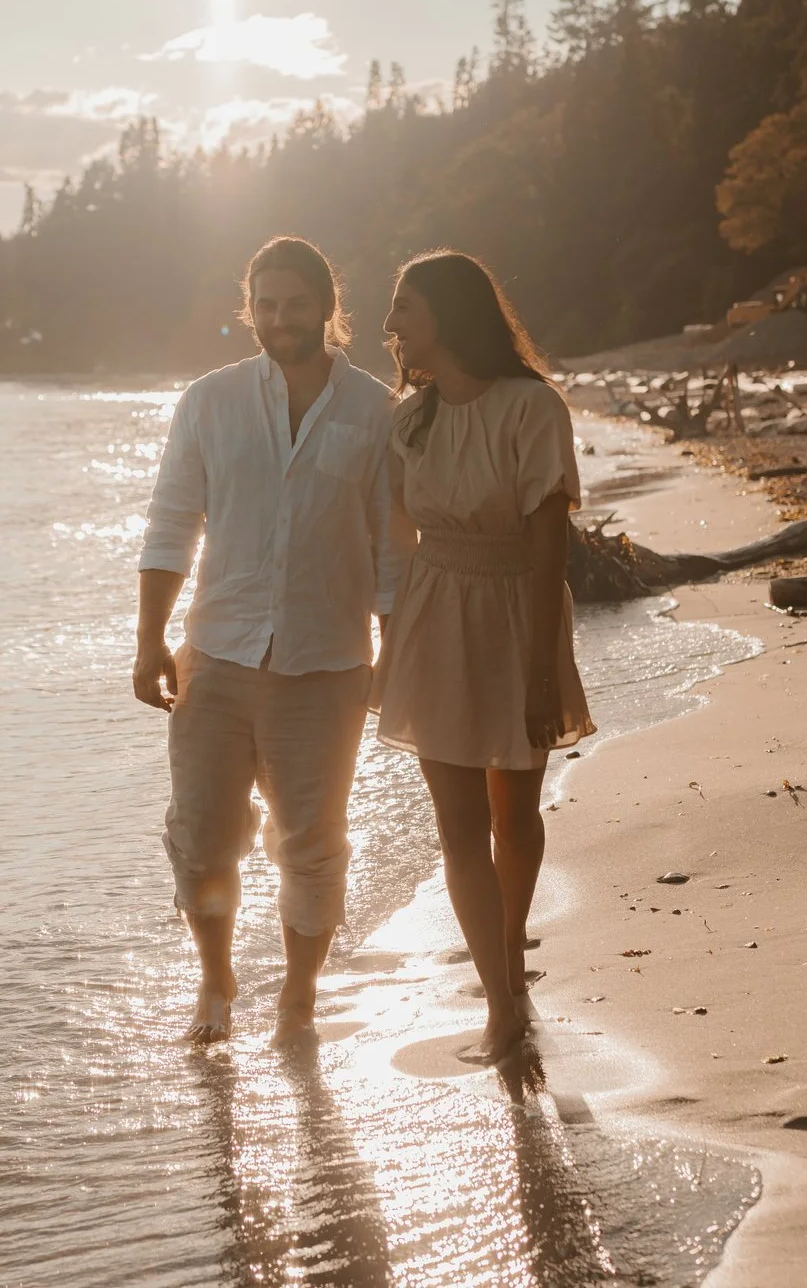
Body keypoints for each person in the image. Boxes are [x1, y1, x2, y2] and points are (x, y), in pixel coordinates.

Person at [135, 237, 402, 1044]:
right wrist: (149, 639)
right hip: (214, 656)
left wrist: (393, 648)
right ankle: (215, 983)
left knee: (313, 845)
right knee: (203, 835)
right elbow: (172, 524)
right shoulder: (207, 402)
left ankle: (298, 999)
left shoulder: (376, 411)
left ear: (327, 306)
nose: (279, 319)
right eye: (266, 304)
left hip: (326, 666)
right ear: (249, 308)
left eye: (295, 303)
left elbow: (393, 543)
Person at [375, 250, 594, 1063]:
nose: (391, 325)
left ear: (449, 316)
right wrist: (388, 642)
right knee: (458, 826)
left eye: (404, 308)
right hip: (435, 614)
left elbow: (549, 551)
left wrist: (542, 667)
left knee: (514, 813)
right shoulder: (410, 418)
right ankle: (500, 999)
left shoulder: (533, 409)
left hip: (515, 610)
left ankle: (511, 951)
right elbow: (400, 548)